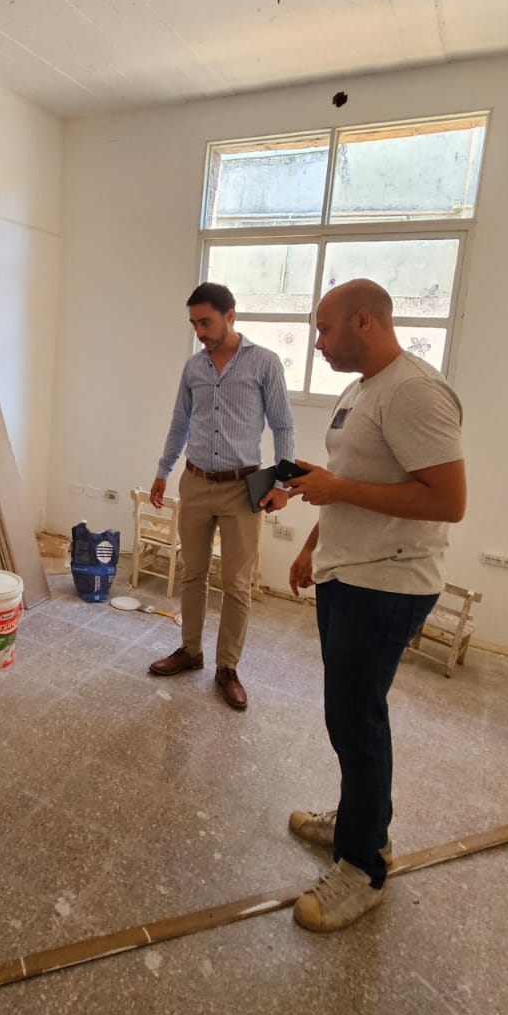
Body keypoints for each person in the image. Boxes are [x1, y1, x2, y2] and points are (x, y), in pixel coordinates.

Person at [283, 279, 466, 931]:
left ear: (364, 321)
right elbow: (346, 482)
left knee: (357, 721)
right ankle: (360, 820)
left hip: (388, 584)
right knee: (348, 716)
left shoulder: (414, 391)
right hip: (346, 572)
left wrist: (337, 490)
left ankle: (363, 867)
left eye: (325, 329)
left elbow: (448, 502)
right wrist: (312, 545)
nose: (318, 342)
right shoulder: (360, 390)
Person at [149, 282, 296, 710]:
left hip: (242, 487)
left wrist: (283, 484)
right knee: (193, 573)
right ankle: (190, 651)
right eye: (194, 323)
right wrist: (162, 472)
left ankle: (227, 667)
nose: (199, 332)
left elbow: (283, 426)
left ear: (230, 316)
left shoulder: (263, 362)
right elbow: (179, 423)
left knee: (235, 583)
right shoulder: (193, 367)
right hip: (195, 482)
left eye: (206, 322)